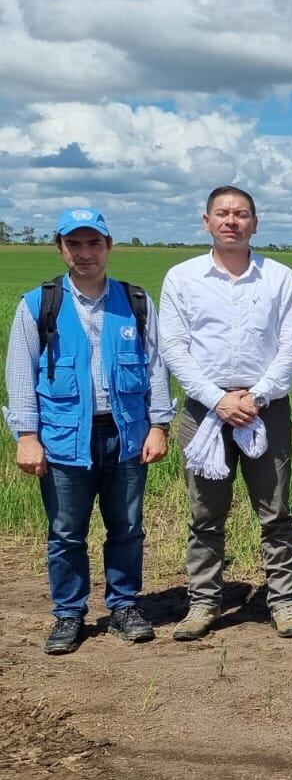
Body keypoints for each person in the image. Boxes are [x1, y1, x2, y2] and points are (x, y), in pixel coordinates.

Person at [4, 208, 174, 654]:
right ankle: (68, 613)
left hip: (126, 436)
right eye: (74, 244)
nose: (84, 253)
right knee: (65, 533)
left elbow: (156, 367)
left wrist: (159, 425)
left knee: (128, 528)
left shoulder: (135, 301)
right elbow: (20, 374)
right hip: (63, 439)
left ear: (108, 247)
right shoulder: (38, 305)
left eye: (93, 243)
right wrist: (26, 435)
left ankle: (123, 606)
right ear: (60, 249)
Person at [160, 186, 292, 640]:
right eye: (222, 214)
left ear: (255, 223)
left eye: (241, 214)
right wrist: (217, 398)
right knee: (205, 514)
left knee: (276, 511)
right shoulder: (182, 278)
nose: (231, 221)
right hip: (205, 411)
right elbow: (174, 347)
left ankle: (283, 602)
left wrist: (256, 397)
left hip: (266, 409)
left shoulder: (279, 277)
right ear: (206, 222)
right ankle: (203, 603)